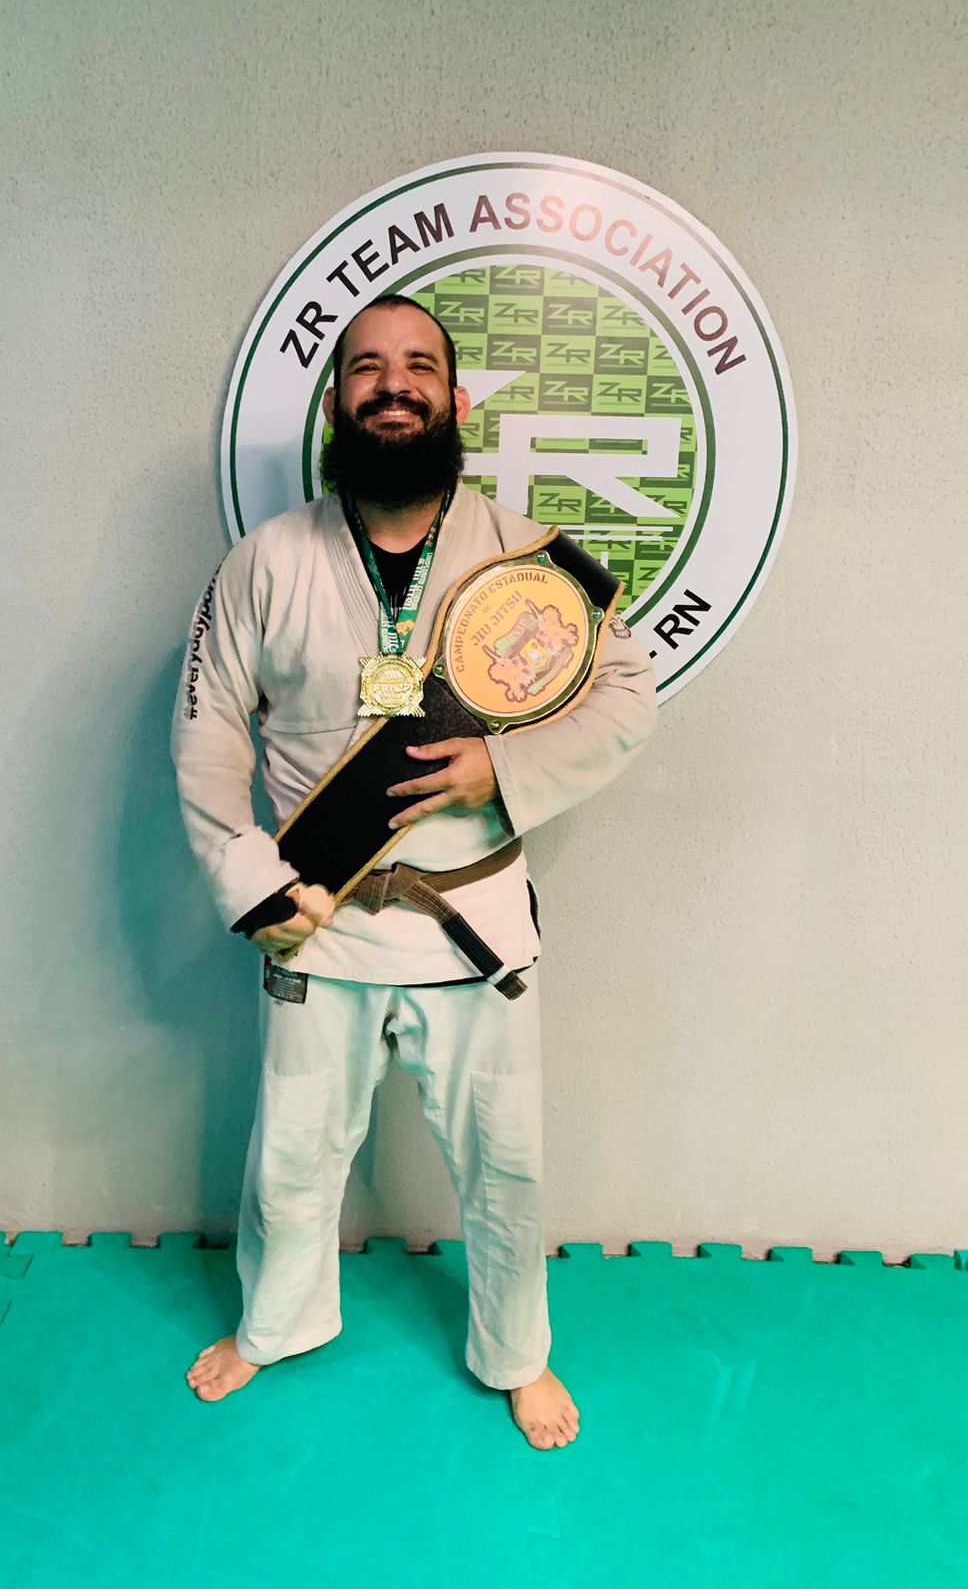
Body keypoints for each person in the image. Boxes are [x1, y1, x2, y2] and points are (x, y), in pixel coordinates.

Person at [172, 295, 656, 1450]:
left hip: (472, 921)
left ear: (455, 399)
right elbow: (208, 731)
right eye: (367, 369)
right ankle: (274, 1323)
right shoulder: (265, 562)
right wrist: (248, 878)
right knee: (291, 1158)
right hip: (317, 916)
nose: (394, 385)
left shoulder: (533, 561)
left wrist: (504, 765)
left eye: (419, 367)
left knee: (507, 1164)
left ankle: (517, 1352)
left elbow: (628, 695)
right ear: (336, 405)